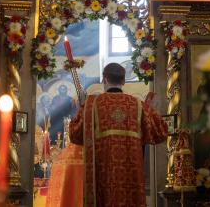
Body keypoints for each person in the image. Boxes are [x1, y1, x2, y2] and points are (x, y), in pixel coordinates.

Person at [69, 63, 168, 207]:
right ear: (123, 81)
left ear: (104, 79)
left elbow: (75, 134)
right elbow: (161, 133)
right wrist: (154, 110)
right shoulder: (139, 105)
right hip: (132, 178)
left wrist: (81, 109)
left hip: (103, 178)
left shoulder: (92, 106)